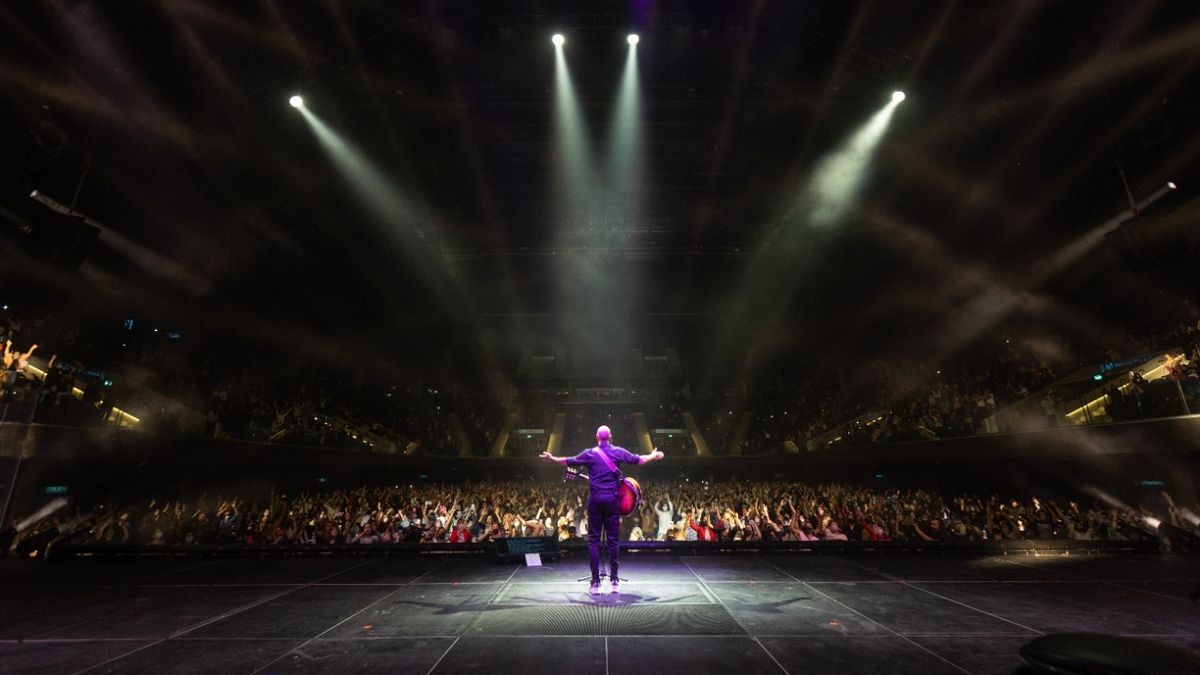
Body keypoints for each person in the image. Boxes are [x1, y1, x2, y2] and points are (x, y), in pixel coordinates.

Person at [541, 425, 664, 594]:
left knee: (593, 541)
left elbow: (568, 461)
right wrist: (653, 455)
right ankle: (614, 580)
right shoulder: (618, 451)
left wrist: (551, 457)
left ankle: (596, 582)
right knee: (613, 541)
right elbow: (639, 460)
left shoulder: (589, 453)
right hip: (613, 501)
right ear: (610, 436)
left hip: (596, 501)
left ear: (596, 436)